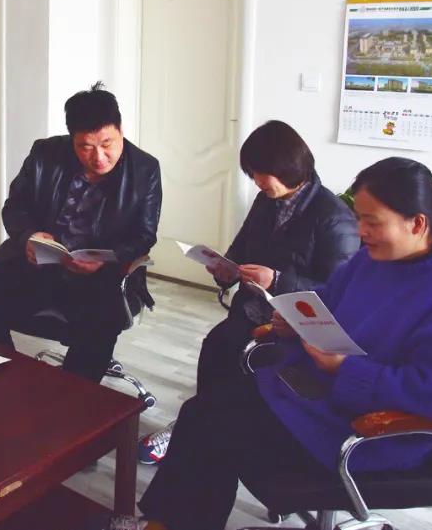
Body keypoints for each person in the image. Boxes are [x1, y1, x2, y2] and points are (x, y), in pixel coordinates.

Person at [95, 157, 432, 530]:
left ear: (417, 223)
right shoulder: (373, 259)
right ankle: (163, 522)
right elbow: (328, 301)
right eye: (360, 219)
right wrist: (295, 321)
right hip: (322, 396)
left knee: (217, 429)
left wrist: (344, 369)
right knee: (202, 411)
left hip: (375, 432)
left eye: (373, 222)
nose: (362, 232)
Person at [139, 120, 358, 463]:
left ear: (289, 167)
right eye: (253, 173)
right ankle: (195, 426)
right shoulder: (266, 201)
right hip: (253, 311)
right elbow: (241, 250)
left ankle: (206, 431)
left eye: (261, 173)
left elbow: (338, 292)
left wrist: (278, 279)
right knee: (216, 349)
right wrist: (226, 270)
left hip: (297, 328)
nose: (257, 181)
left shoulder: (334, 218)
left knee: (240, 372)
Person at [0, 82, 162, 384]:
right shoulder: (45, 154)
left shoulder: (145, 170)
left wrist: (106, 259)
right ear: (72, 139)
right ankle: (4, 378)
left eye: (107, 144)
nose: (99, 157)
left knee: (100, 323)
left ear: (121, 130)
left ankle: (72, 397)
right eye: (86, 147)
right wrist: (28, 236)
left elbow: (144, 235)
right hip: (40, 264)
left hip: (102, 276)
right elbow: (15, 206)